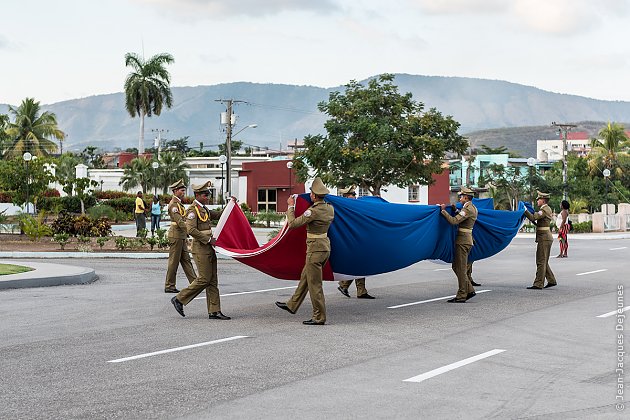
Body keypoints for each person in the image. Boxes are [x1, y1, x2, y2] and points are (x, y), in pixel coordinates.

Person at [275, 177, 335, 325]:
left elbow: (294, 224)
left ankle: (319, 317)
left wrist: (290, 207)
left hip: (315, 250)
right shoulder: (329, 208)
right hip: (324, 247)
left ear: (314, 195)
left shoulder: (313, 211)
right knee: (306, 277)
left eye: (311, 193)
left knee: (315, 285)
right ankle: (292, 304)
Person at [171, 181, 232, 320]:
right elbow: (190, 229)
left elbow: (217, 215)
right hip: (201, 248)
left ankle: (214, 311)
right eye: (205, 194)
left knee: (213, 280)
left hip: (209, 247)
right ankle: (179, 299)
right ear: (197, 195)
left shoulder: (203, 209)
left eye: (209, 194)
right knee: (204, 279)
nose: (208, 196)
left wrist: (230, 207)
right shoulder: (193, 211)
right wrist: (208, 240)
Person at [439, 187, 478, 303]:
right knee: (456, 267)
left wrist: (443, 211)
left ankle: (462, 295)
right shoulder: (470, 207)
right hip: (465, 241)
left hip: (463, 241)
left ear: (466, 197)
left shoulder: (468, 209)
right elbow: (463, 218)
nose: (459, 198)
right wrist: (456, 210)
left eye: (461, 196)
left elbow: (454, 221)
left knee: (460, 269)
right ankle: (469, 290)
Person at [336, 186, 375, 299]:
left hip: (358, 239)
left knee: (360, 265)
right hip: (350, 240)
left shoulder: (353, 206)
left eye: (354, 194)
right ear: (347, 196)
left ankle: (358, 290)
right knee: (358, 265)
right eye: (353, 195)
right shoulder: (344, 207)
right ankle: (346, 286)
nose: (355, 197)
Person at [164, 179, 197, 293]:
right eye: (182, 190)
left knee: (186, 260)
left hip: (181, 235)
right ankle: (169, 285)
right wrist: (191, 231)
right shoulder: (173, 205)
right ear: (175, 191)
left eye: (184, 190)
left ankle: (195, 284)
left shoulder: (178, 204)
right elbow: (179, 221)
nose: (184, 192)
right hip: (176, 235)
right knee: (174, 261)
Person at [524, 191, 557, 289]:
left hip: (544, 238)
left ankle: (538, 283)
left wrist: (525, 210)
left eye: (538, 199)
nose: (537, 201)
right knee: (544, 261)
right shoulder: (546, 209)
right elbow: (539, 223)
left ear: (542, 200)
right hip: (545, 237)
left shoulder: (544, 210)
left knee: (541, 261)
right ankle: (551, 280)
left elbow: (533, 217)